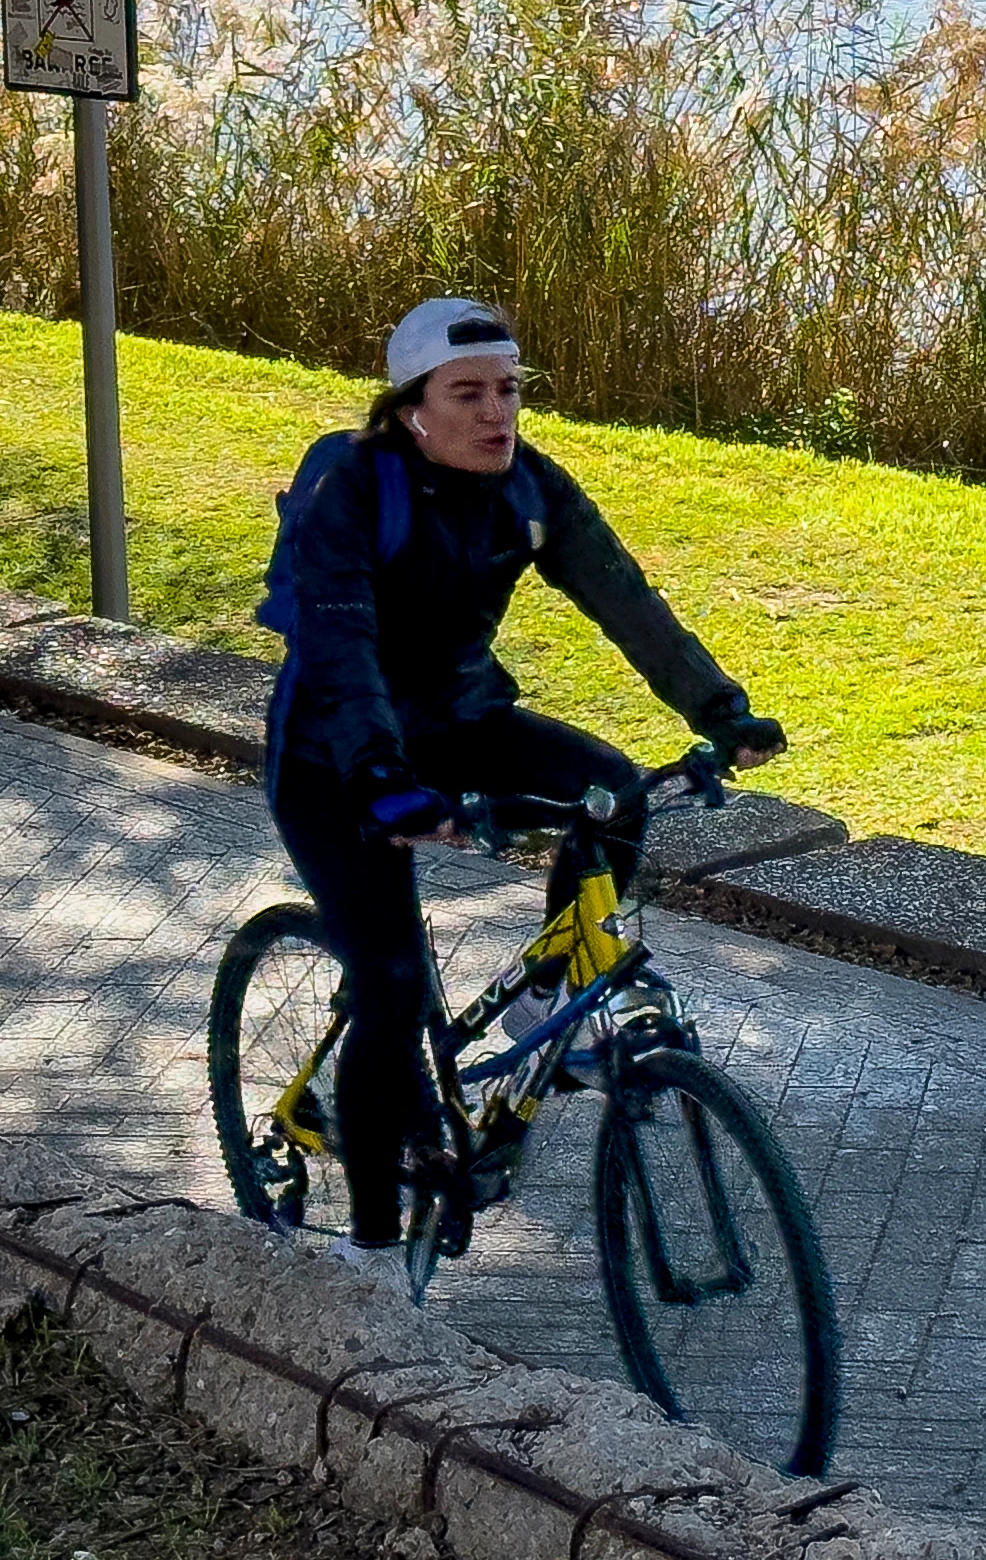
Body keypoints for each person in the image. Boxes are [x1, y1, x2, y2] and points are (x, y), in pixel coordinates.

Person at [259, 297, 784, 1283]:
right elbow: (341, 644)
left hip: (460, 723)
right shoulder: (353, 491)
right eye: (468, 393)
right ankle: (369, 1245)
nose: (496, 413)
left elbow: (624, 597)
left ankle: (536, 996)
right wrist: (383, 780)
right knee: (392, 985)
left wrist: (717, 708)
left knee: (612, 793)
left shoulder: (528, 487)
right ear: (412, 406)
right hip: (336, 760)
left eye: (507, 389)